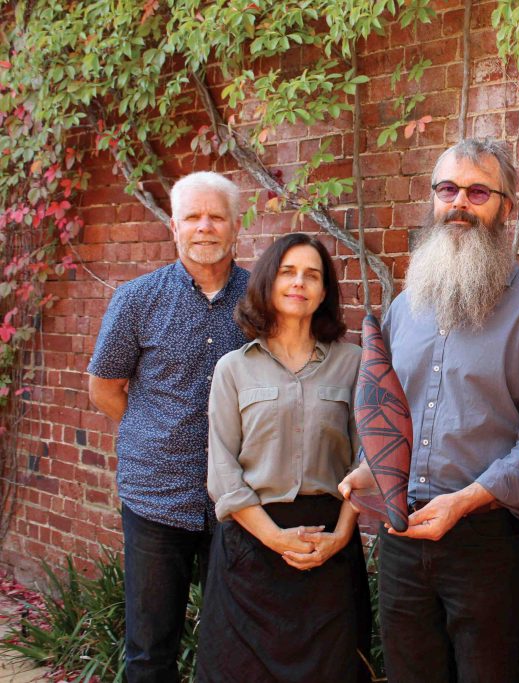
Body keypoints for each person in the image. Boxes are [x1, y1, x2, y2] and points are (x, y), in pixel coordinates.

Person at [340, 137, 519, 683]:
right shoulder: (405, 307)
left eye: (478, 192)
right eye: (448, 189)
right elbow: (391, 412)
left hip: (488, 546)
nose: (460, 203)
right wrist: (372, 466)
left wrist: (464, 502)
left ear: (507, 208)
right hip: (401, 537)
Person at [87, 171, 249, 682]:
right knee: (151, 648)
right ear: (174, 227)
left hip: (238, 498)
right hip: (157, 496)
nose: (205, 227)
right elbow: (105, 386)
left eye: (216, 216)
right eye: (193, 217)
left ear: (235, 226)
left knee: (234, 643)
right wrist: (152, 435)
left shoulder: (261, 299)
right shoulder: (137, 299)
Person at [197, 233, 370, 682]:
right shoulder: (233, 368)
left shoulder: (353, 363)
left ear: (325, 292)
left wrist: (338, 537)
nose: (300, 283)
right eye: (288, 272)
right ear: (268, 283)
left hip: (328, 547)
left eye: (312, 275)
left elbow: (367, 459)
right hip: (251, 550)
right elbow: (222, 471)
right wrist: (275, 538)